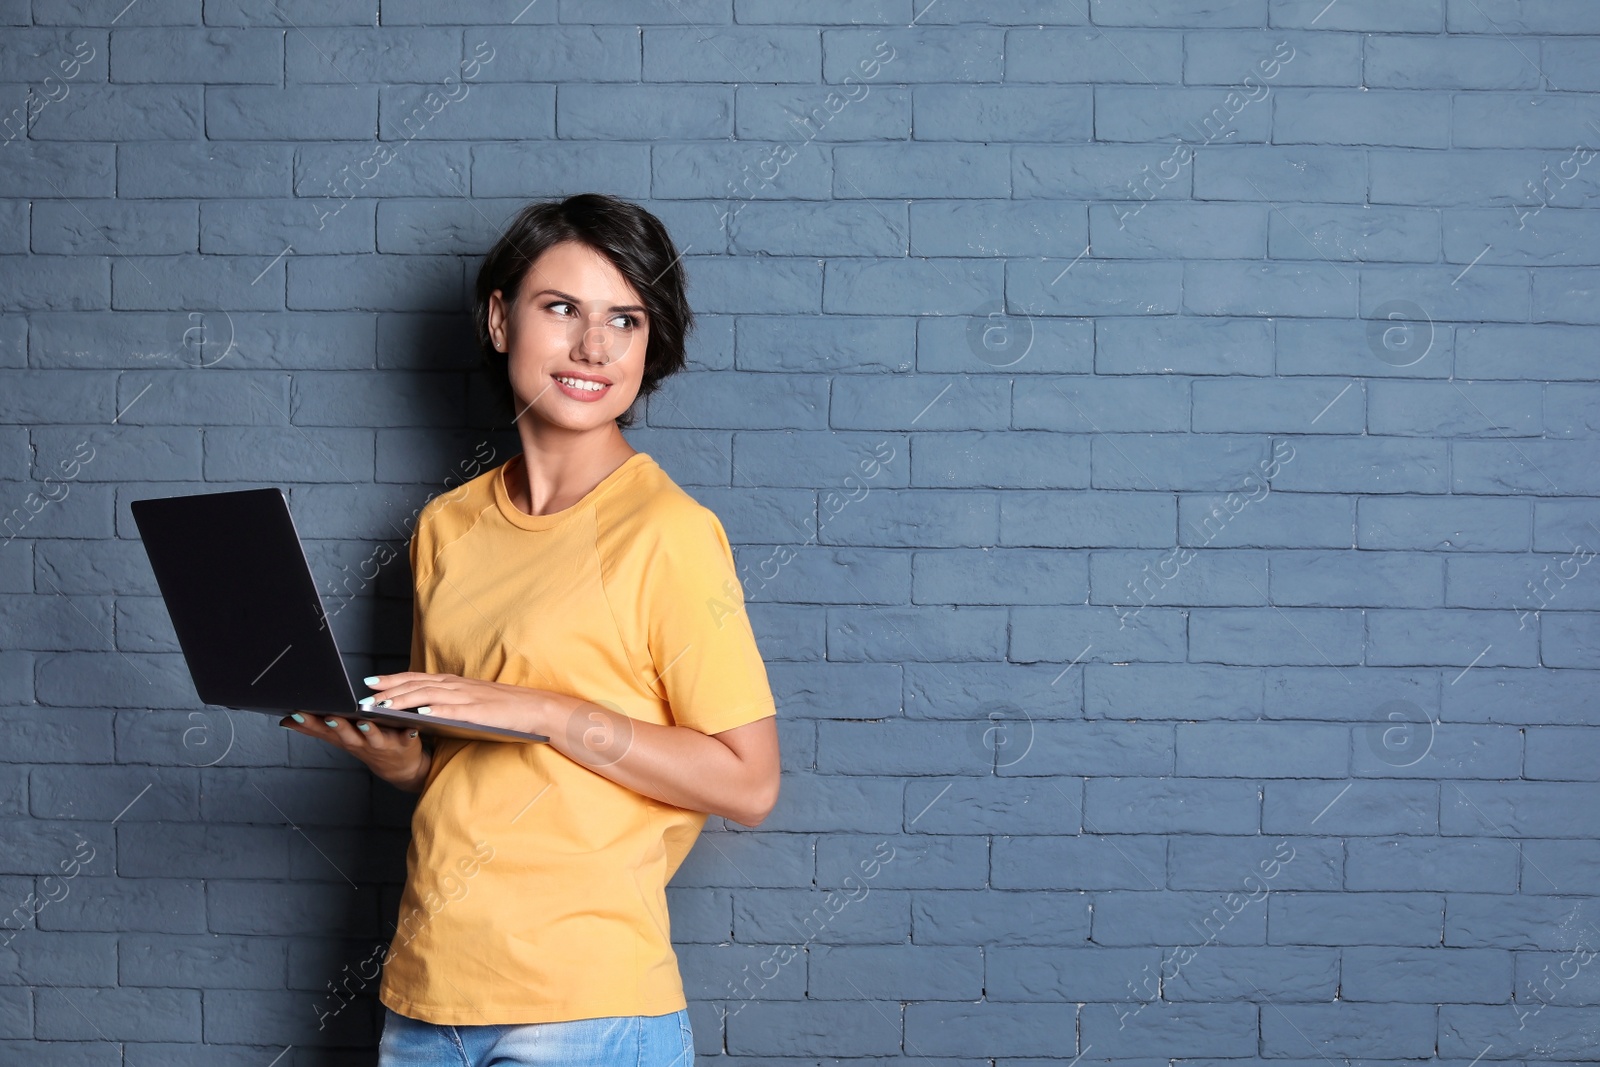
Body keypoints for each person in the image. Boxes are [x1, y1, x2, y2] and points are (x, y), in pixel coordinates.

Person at [281, 193, 782, 1066]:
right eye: (563, 309)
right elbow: (469, 753)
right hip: (426, 992)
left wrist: (548, 709)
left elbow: (749, 783)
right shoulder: (445, 526)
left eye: (625, 320)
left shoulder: (667, 532)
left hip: (586, 1006)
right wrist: (403, 759)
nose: (594, 347)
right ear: (500, 319)